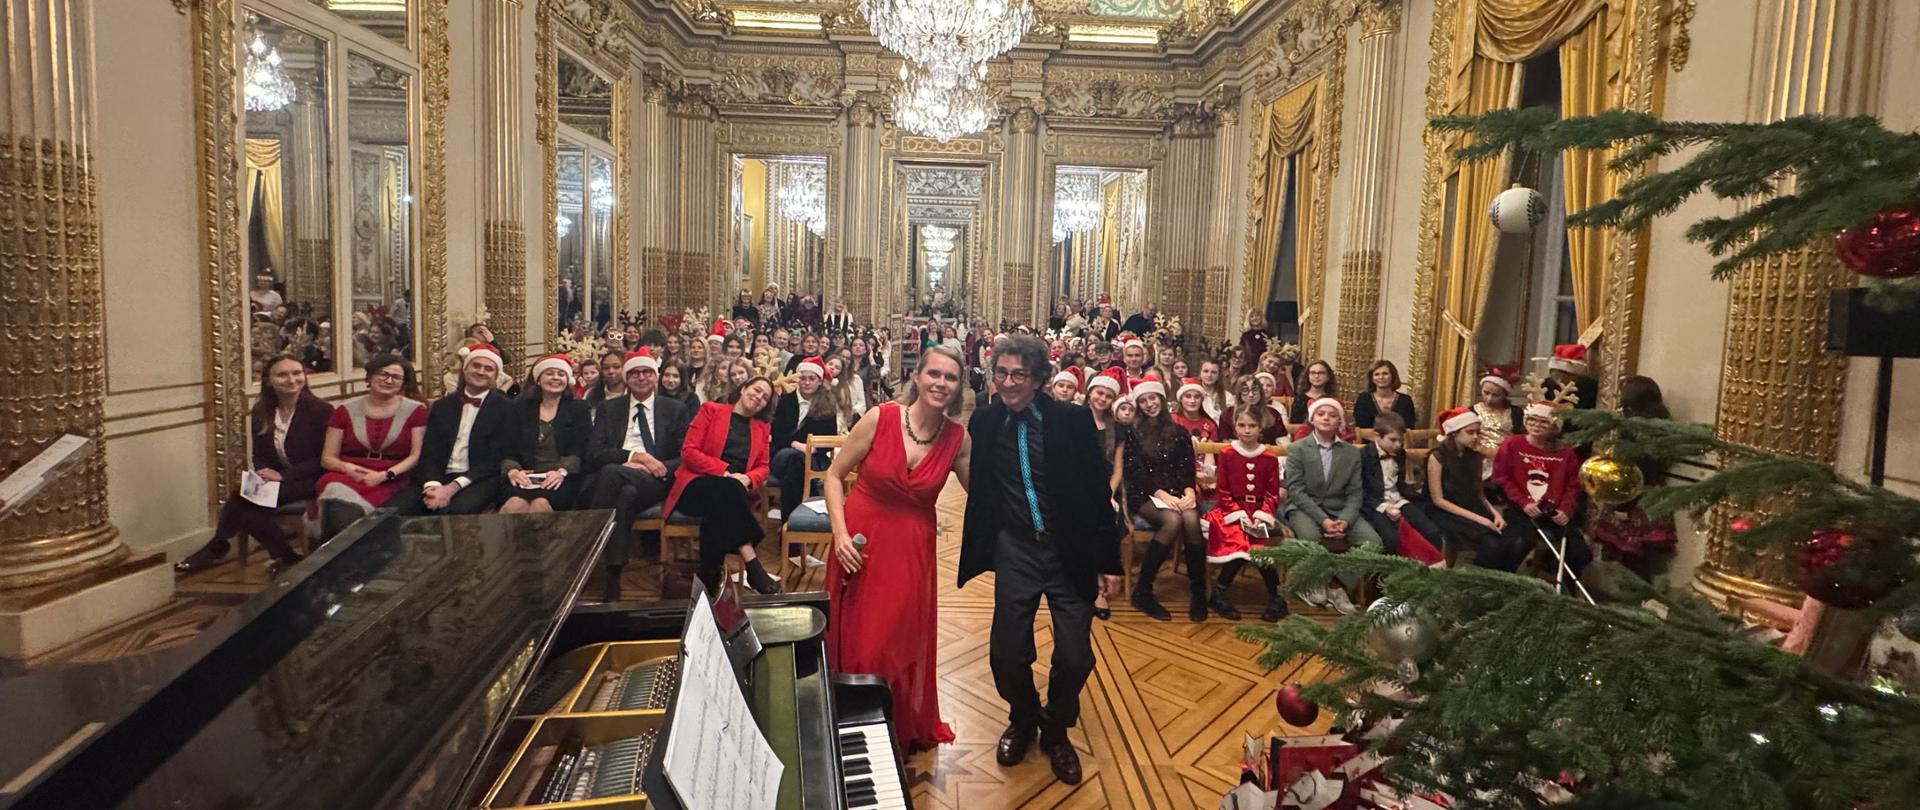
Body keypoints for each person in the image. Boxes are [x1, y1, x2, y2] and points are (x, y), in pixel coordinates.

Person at [959, 335, 1121, 786]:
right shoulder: (985, 421)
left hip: (1069, 549)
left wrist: (1108, 560)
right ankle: (1024, 717)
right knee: (1007, 652)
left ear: (1039, 379)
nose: (1008, 382)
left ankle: (1056, 728)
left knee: (1075, 655)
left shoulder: (1071, 420)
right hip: (1017, 549)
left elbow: (1096, 492)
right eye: (1001, 373)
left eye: (1019, 374)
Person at [823, 345, 972, 753]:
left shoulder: (958, 439)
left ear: (959, 387)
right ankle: (850, 722)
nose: (941, 383)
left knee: (893, 638)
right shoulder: (880, 417)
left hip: (910, 550)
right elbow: (834, 476)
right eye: (934, 374)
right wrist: (839, 534)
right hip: (860, 541)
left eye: (950, 377)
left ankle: (890, 724)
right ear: (917, 377)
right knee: (856, 636)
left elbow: (984, 497)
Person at [176, 354, 331, 575]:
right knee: (245, 502)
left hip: (311, 478)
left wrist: (284, 476)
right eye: (282, 375)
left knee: (242, 498)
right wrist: (263, 472)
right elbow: (259, 454)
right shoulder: (261, 410)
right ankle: (285, 556)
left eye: (297, 373)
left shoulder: (321, 410)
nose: (291, 379)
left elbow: (324, 458)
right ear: (268, 380)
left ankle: (221, 545)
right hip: (277, 479)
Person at [585, 349, 692, 600]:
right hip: (623, 476)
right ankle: (613, 574)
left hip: (657, 479)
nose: (641, 377)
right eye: (634, 373)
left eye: (646, 372)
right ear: (626, 378)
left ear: (655, 377)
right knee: (625, 493)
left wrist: (657, 465)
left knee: (612, 473)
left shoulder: (675, 409)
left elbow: (686, 454)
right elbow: (594, 453)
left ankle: (588, 544)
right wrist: (634, 457)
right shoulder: (608, 409)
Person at [666, 377, 777, 595]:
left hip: (734, 492)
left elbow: (764, 467)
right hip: (696, 484)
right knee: (728, 490)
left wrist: (748, 478)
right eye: (756, 390)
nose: (759, 397)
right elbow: (689, 452)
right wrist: (724, 472)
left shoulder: (762, 427)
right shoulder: (711, 410)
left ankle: (710, 577)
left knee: (721, 506)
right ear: (743, 389)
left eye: (765, 397)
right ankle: (752, 562)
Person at [387, 343, 516, 516]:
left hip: (477, 479)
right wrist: (433, 485)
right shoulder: (442, 406)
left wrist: (452, 488)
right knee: (391, 512)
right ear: (465, 369)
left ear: (496, 375)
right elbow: (429, 451)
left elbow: (494, 460)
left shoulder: (506, 409)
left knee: (456, 512)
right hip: (438, 476)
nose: (481, 372)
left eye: (488, 369)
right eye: (476, 366)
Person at [311, 355, 427, 540]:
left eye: (396, 377)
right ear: (370, 377)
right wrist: (347, 468)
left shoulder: (417, 410)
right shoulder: (344, 410)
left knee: (348, 515)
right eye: (383, 374)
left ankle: (347, 549)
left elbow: (416, 456)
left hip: (393, 477)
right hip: (348, 474)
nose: (388, 380)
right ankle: (344, 550)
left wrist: (386, 475)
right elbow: (327, 458)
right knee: (336, 498)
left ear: (403, 383)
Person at [1282, 397, 1380, 615]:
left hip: (1340, 509)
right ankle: (1316, 583)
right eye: (1321, 414)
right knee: (1309, 537)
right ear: (1312, 419)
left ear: (1339, 422)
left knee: (1373, 543)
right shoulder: (1298, 449)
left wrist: (1344, 520)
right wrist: (1323, 520)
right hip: (1305, 507)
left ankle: (1337, 583)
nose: (1326, 418)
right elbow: (1296, 490)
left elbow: (1355, 493)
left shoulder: (1351, 452)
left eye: (1332, 415)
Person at [1123, 378, 1209, 623]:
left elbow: (1186, 467)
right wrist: (1161, 494)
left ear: (1161, 399)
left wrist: (1189, 492)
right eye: (1143, 400)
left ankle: (1199, 591)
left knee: (1190, 518)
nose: (1149, 404)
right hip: (1144, 494)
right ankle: (1143, 589)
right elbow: (1135, 473)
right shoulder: (1133, 433)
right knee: (1172, 521)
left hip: (1177, 491)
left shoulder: (1179, 431)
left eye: (1153, 398)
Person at [1202, 404, 1288, 621]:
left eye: (1252, 425)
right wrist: (1239, 514)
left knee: (1258, 545)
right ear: (1235, 427)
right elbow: (1223, 491)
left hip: (1258, 513)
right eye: (1242, 425)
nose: (1247, 430)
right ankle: (1221, 593)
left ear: (1260, 427)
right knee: (1242, 541)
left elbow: (1272, 493)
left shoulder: (1269, 457)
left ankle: (1276, 597)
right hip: (1229, 511)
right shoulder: (1227, 454)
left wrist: (1261, 516)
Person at [1490, 402, 1594, 577]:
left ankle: (1564, 585)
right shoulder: (1512, 444)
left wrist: (1565, 510)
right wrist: (1523, 502)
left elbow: (1573, 485)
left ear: (1555, 426)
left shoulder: (1566, 452)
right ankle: (1504, 580)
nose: (1536, 425)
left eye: (1543, 422)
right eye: (1532, 420)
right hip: (1519, 509)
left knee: (1579, 553)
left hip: (1553, 511)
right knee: (1517, 543)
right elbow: (1500, 478)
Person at [1591, 375, 1676, 578]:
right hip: (1653, 494)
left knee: (1632, 557)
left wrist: (1622, 506)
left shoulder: (1634, 428)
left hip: (1633, 496)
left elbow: (1636, 468)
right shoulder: (1662, 423)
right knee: (1640, 558)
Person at [499, 355, 593, 514]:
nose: (556, 378)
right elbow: (507, 446)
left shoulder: (579, 409)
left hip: (562, 477)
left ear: (567, 380)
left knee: (539, 505)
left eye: (561, 374)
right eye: (549, 373)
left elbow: (580, 449)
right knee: (514, 505)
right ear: (538, 380)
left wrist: (561, 472)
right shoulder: (519, 408)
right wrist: (513, 470)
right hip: (525, 476)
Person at [1426, 408, 1510, 566]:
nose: (1475, 437)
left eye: (1477, 432)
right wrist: (1481, 520)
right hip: (1446, 510)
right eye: (1470, 432)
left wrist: (1495, 514)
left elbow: (1479, 494)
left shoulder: (1474, 455)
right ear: (1454, 433)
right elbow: (1438, 500)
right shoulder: (1438, 456)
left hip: (1471, 505)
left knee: (1504, 540)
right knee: (1490, 543)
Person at [770, 356, 843, 527]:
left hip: (814, 457)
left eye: (812, 379)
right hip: (783, 454)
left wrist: (812, 448)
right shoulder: (785, 401)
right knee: (794, 458)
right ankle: (807, 519)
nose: (807, 383)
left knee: (795, 468)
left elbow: (830, 437)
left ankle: (789, 524)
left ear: (819, 381)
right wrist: (796, 444)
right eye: (803, 378)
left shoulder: (827, 404)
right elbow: (777, 433)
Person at [1358, 412, 1443, 557]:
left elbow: (1400, 485)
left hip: (1398, 500)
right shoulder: (1363, 456)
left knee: (1432, 532)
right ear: (1377, 436)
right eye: (1393, 440)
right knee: (1391, 539)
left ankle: (1428, 564)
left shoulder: (1399, 454)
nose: (1397, 445)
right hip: (1375, 505)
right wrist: (1385, 507)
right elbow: (1361, 491)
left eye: (1400, 440)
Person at [1352, 359, 1417, 431]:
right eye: (1377, 374)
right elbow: (1360, 427)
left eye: (1385, 373)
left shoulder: (1405, 400)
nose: (1381, 377)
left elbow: (1409, 427)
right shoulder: (1363, 399)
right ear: (1372, 379)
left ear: (1393, 376)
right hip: (1368, 438)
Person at [1474, 370, 1525, 455]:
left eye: (1496, 395)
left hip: (1507, 456)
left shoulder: (1516, 412)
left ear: (1505, 395)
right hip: (1478, 456)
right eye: (1486, 393)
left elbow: (1521, 438)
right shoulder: (1472, 411)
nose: (1489, 398)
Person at [1287, 360, 1338, 426]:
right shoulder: (1299, 399)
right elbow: (1294, 425)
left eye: (1321, 373)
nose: (1316, 376)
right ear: (1308, 376)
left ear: (1328, 376)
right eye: (1313, 373)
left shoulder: (1333, 400)